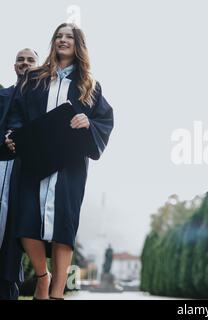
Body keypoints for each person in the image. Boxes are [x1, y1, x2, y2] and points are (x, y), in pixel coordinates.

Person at [5, 23, 114, 300]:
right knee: (25, 224)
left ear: (78, 45)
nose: (63, 40)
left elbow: (104, 120)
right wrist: (11, 135)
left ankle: (56, 293)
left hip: (70, 164)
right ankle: (44, 276)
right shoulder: (35, 79)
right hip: (34, 160)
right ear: (53, 42)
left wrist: (87, 122)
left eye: (69, 37)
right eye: (58, 36)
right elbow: (17, 113)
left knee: (63, 228)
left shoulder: (89, 84)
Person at [0, 48, 39, 300]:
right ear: (14, 66)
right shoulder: (2, 95)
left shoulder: (44, 97)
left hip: (25, 171)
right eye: (20, 60)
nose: (24, 63)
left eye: (30, 60)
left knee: (14, 231)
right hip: (1, 164)